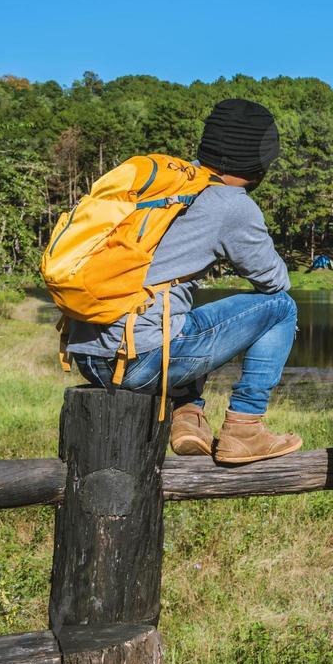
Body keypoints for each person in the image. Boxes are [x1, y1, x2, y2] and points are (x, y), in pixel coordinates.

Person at [65, 99, 302, 465]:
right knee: (280, 309)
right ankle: (245, 427)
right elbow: (274, 280)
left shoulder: (166, 185)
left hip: (88, 357)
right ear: (258, 162)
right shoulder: (231, 203)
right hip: (140, 363)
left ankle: (188, 414)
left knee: (181, 316)